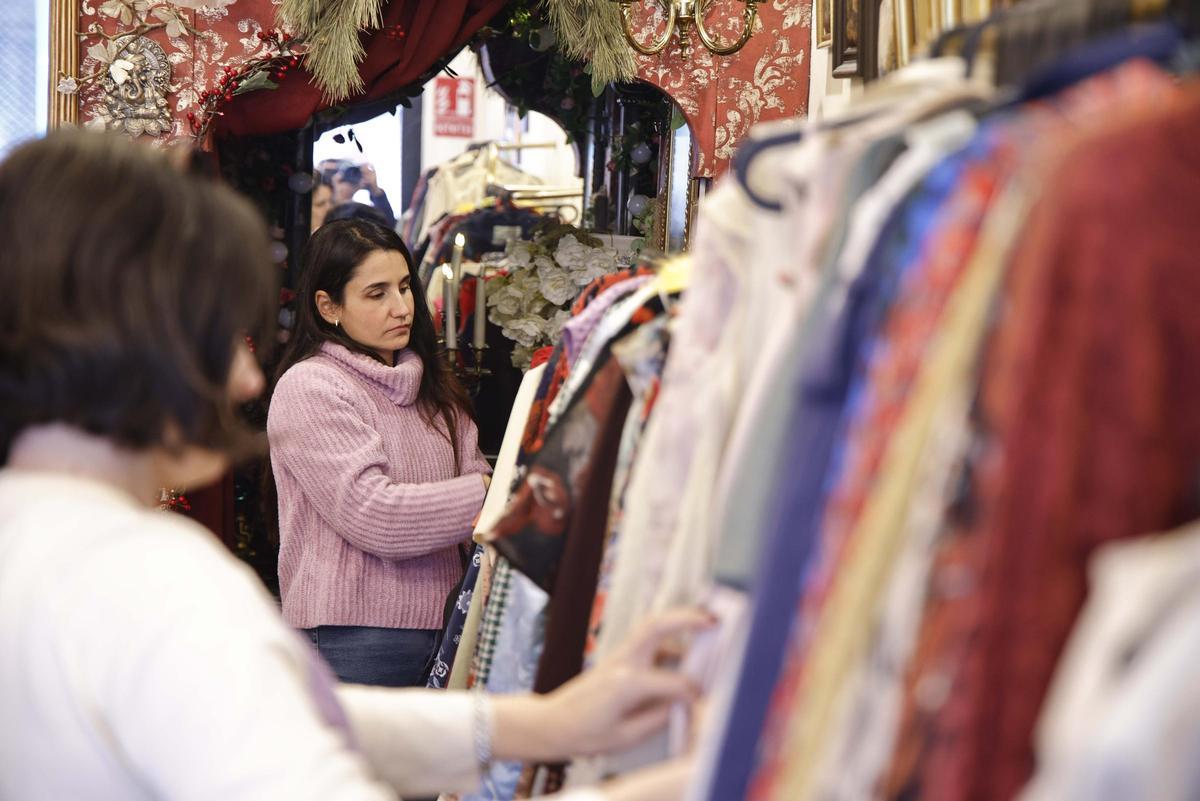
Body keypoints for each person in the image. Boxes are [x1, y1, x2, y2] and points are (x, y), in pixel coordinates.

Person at [0, 128, 706, 801]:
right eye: (216, 336)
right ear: (122, 339)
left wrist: (549, 723)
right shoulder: (144, 578)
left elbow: (300, 715)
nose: (246, 379)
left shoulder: (45, 541)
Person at [268, 218, 487, 688]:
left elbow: (477, 505)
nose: (402, 308)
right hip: (352, 638)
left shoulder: (433, 389)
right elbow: (376, 515)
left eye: (405, 287)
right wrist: (489, 493)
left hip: (451, 625)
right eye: (377, 294)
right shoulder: (311, 386)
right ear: (328, 307)